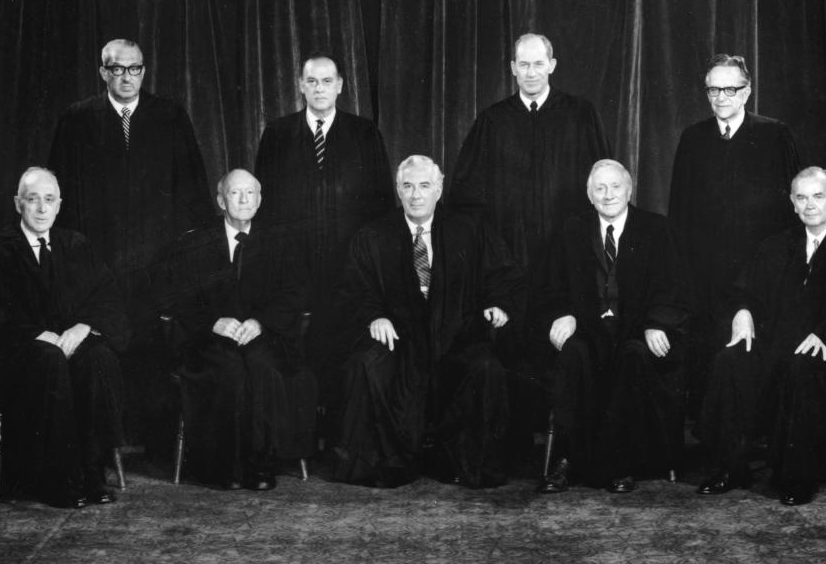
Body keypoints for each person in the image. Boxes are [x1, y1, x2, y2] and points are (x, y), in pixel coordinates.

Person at [449, 33, 610, 459]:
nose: (532, 72)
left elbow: (603, 188)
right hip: (510, 257)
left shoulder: (580, 115)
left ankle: (567, 447)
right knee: (512, 344)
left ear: (553, 65)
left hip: (566, 258)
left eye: (540, 64)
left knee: (565, 341)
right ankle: (515, 445)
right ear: (513, 68)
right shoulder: (493, 121)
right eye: (524, 65)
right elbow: (467, 199)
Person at [332, 155, 524, 488]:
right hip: (400, 339)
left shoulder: (470, 229)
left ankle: (466, 465)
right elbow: (354, 289)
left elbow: (504, 276)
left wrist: (499, 305)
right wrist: (374, 316)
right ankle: (386, 464)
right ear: (397, 190)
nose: (416, 195)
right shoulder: (374, 235)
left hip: (456, 336)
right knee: (366, 365)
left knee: (485, 367)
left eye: (424, 186)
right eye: (407, 186)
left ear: (439, 188)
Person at [696, 167, 826, 505]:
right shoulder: (776, 245)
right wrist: (743, 313)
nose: (810, 205)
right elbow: (745, 291)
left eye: (818, 196)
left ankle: (797, 477)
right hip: (779, 339)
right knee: (731, 360)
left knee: (803, 367)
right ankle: (730, 466)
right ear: (793, 203)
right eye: (802, 197)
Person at [0, 167, 129, 508]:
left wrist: (84, 327)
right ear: (17, 204)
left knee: (98, 357)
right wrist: (39, 335)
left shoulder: (77, 245)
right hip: (18, 355)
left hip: (68, 346)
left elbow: (107, 297)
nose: (41, 208)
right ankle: (56, 480)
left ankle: (91, 474)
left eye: (49, 200)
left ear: (59, 205)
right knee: (49, 359)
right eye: (33, 199)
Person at [536, 160, 689, 494]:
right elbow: (550, 287)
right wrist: (563, 313)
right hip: (589, 329)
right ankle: (565, 459)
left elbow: (672, 287)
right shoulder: (571, 230)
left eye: (615, 187)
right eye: (600, 189)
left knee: (634, 357)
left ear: (629, 189)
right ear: (589, 195)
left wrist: (656, 324)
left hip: (636, 329)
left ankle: (621, 461)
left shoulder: (656, 229)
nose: (608, 195)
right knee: (573, 354)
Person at [255, 52, 395, 408]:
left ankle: (335, 432)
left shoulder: (364, 133)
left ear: (340, 86)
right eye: (312, 81)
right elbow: (264, 208)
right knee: (292, 350)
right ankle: (299, 432)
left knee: (340, 346)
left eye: (327, 81)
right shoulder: (278, 134)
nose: (320, 89)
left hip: (347, 264)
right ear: (301, 86)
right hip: (293, 266)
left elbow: (380, 206)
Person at [668, 54, 800, 415]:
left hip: (760, 272)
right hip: (707, 275)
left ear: (747, 91)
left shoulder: (774, 135)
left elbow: (791, 213)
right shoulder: (693, 138)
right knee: (711, 357)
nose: (721, 97)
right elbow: (679, 211)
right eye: (713, 89)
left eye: (730, 88)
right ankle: (719, 444)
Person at [48, 38, 214, 320]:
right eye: (117, 69)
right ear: (103, 72)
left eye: (134, 68)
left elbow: (192, 185)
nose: (127, 77)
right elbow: (59, 190)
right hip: (98, 249)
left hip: (157, 251)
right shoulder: (77, 119)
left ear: (144, 72)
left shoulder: (170, 115)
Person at [170, 169, 311, 491]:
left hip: (264, 335)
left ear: (260, 200)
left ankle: (261, 465)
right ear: (221, 200)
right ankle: (222, 467)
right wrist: (212, 323)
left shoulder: (279, 242)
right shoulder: (196, 243)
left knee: (262, 368)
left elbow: (293, 294)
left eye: (251, 193)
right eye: (235, 193)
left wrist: (261, 322)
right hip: (211, 340)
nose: (244, 199)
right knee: (230, 370)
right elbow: (178, 297)